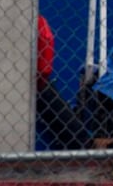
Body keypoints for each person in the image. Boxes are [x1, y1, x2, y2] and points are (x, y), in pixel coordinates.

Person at [36, 15, 90, 150]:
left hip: (35, 78)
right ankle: (81, 143)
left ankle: (80, 143)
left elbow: (45, 41)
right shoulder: (34, 19)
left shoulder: (33, 19)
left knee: (49, 100)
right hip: (36, 78)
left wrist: (40, 78)